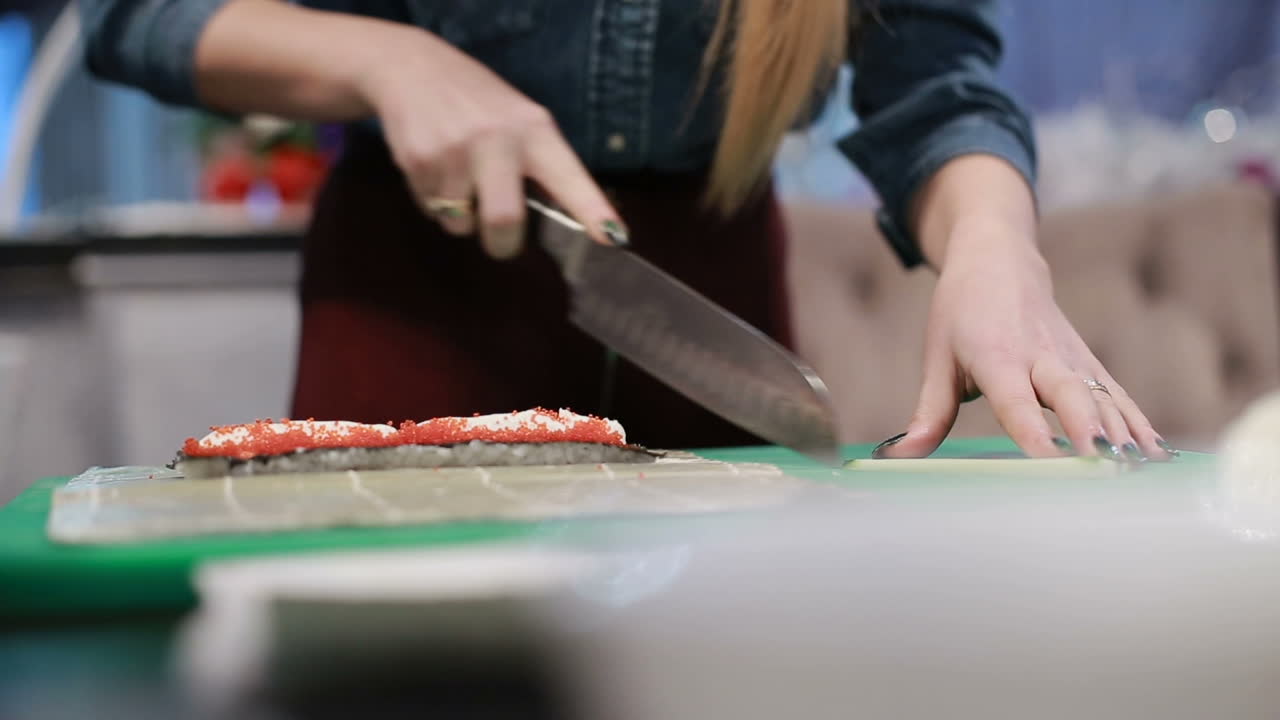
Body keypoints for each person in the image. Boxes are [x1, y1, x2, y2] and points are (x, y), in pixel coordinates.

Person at [78, 0, 1174, 461]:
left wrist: (992, 246)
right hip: (417, 279)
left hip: (709, 284)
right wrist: (390, 59)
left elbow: (934, 81)